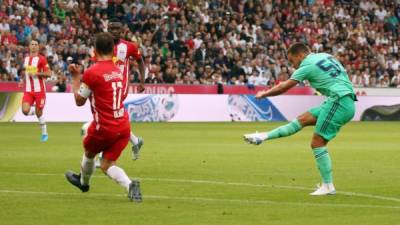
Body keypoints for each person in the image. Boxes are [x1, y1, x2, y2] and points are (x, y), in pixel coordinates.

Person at [243, 43, 356, 196]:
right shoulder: (325, 56)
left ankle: (328, 186)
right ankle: (262, 136)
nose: (293, 66)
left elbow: (284, 87)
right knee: (302, 120)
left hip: (339, 100)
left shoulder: (307, 65)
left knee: (317, 143)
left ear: (300, 55)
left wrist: (264, 94)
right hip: (343, 99)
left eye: (292, 61)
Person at [65, 32, 142, 202]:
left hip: (104, 127)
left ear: (95, 49)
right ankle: (130, 185)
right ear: (113, 50)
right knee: (107, 164)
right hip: (123, 125)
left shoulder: (92, 73)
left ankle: (83, 183)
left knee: (89, 153)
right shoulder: (118, 71)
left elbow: (79, 101)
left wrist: (76, 77)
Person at [95, 18, 145, 164]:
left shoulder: (129, 47)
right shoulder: (103, 47)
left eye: (118, 29)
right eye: (112, 29)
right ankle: (136, 141)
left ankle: (101, 156)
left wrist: (142, 80)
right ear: (108, 30)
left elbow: (140, 61)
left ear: (122, 31)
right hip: (105, 86)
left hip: (119, 88)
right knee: (114, 119)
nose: (115, 31)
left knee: (107, 119)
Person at [20, 39, 51, 142]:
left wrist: (37, 74)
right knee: (25, 111)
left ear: (38, 47)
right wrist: (22, 80)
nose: (33, 46)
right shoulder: (26, 59)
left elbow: (49, 74)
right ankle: (35, 111)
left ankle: (44, 132)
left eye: (35, 44)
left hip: (39, 91)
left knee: (39, 113)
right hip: (28, 90)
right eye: (32, 44)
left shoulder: (42, 59)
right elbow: (27, 72)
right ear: (29, 46)